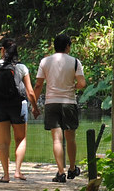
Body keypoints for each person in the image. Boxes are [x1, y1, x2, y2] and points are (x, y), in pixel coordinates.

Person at [33, 33, 86, 183]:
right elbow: (82, 84)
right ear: (68, 46)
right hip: (69, 102)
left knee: (56, 140)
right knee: (71, 138)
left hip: (51, 103)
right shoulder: (75, 62)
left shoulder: (45, 62)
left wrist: (34, 105)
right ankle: (72, 168)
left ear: (54, 46)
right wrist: (72, 86)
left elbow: (38, 85)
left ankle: (61, 172)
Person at [0, 37, 39, 183]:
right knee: (20, 139)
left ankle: (6, 175)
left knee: (3, 142)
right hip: (18, 106)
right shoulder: (21, 67)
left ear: (2, 50)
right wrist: (35, 107)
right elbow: (30, 92)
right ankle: (17, 171)